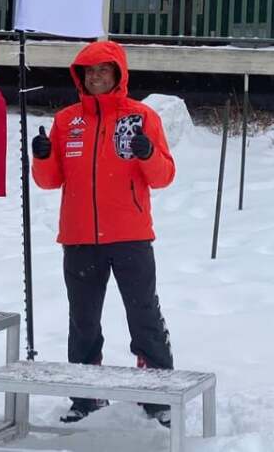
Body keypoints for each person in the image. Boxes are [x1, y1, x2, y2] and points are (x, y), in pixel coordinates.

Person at [30, 40, 176, 426]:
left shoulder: (142, 117)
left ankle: (158, 394)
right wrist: (42, 155)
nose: (95, 78)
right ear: (80, 77)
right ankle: (85, 395)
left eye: (103, 71)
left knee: (143, 313)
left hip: (130, 235)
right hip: (79, 237)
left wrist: (147, 154)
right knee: (83, 320)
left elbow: (163, 176)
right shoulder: (66, 121)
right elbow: (49, 181)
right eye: (89, 72)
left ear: (118, 75)